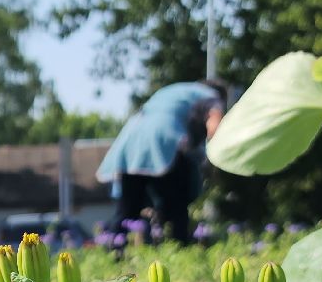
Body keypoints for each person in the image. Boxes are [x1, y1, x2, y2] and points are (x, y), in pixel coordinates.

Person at [97, 78, 230, 241]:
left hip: (131, 139)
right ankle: (178, 248)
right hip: (165, 141)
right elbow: (214, 126)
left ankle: (115, 249)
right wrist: (218, 157)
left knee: (127, 210)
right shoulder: (211, 96)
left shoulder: (175, 88)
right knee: (176, 207)